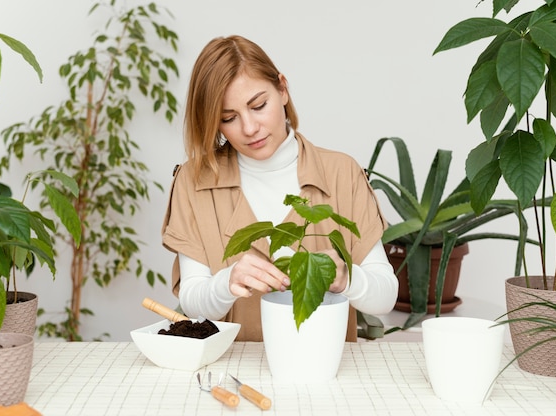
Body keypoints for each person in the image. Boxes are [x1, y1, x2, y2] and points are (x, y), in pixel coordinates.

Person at [161, 35, 398, 341]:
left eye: (258, 106)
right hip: (231, 369)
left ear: (283, 89)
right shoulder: (194, 180)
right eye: (228, 118)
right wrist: (226, 283)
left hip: (324, 370)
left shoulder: (342, 173)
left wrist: (345, 277)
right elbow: (193, 301)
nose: (249, 128)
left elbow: (385, 297)